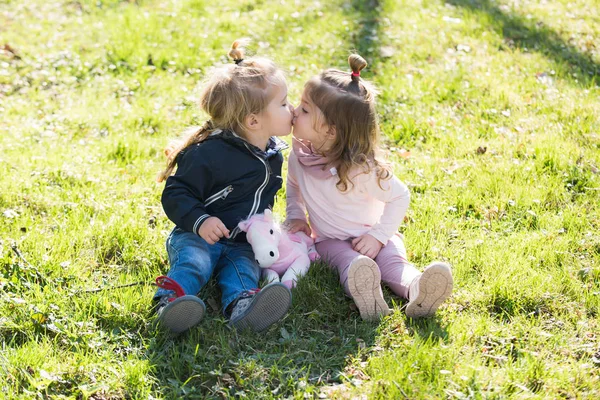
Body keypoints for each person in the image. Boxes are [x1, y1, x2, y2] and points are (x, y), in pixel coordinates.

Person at [285, 54, 453, 321]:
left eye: (304, 109)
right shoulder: (300, 157)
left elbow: (400, 196)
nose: (294, 111)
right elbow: (293, 186)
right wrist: (295, 214)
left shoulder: (361, 168)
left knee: (394, 265)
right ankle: (367, 292)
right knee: (348, 264)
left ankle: (419, 290)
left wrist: (378, 236)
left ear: (330, 131)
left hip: (375, 234)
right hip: (329, 240)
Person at [154, 40, 295, 333]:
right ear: (253, 120)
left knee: (244, 270)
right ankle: (170, 303)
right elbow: (175, 192)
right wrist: (200, 221)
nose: (291, 109)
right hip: (200, 235)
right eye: (283, 104)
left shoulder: (271, 154)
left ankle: (243, 306)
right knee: (195, 263)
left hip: (242, 241)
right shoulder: (209, 154)